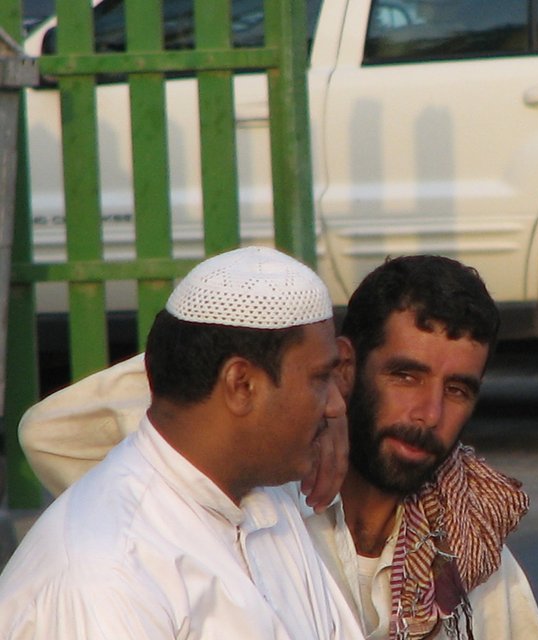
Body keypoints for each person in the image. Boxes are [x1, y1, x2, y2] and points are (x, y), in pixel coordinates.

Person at [17, 254, 538, 639]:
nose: (430, 414)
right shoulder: (272, 501)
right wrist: (311, 394)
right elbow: (51, 431)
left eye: (457, 390)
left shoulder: (467, 548)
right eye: (405, 376)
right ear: (348, 364)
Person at [0, 247, 365, 639]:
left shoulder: (270, 499)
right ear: (241, 384)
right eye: (319, 379)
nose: (335, 406)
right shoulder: (107, 572)